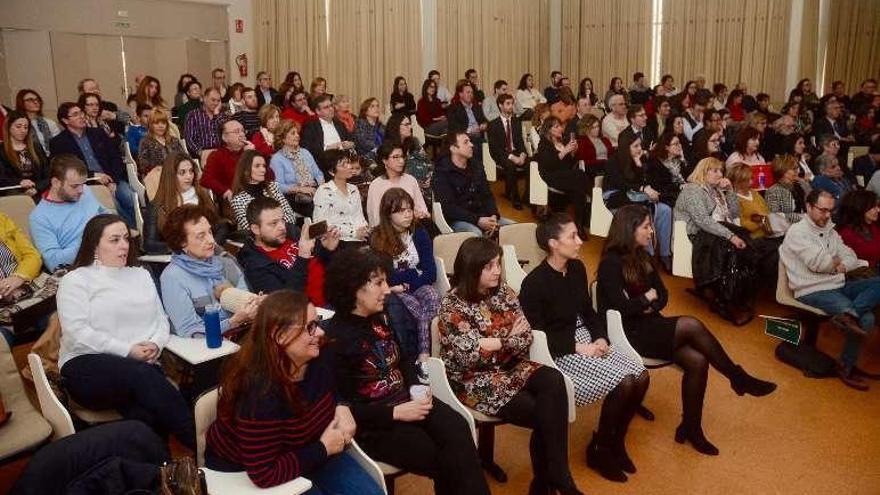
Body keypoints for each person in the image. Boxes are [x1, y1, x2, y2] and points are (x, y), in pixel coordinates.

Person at [598, 205, 776, 455]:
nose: (651, 231)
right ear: (629, 229)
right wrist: (644, 302)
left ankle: (691, 428)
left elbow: (662, 294)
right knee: (690, 324)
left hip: (649, 323)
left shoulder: (643, 256)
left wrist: (648, 302)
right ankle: (737, 377)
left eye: (650, 226)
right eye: (646, 227)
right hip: (628, 334)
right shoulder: (610, 264)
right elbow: (619, 308)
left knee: (698, 360)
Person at [323, 248, 491, 495]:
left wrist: (416, 388)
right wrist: (395, 413)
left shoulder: (379, 317)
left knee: (457, 429)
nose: (387, 289)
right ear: (354, 288)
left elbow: (404, 361)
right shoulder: (336, 338)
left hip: (407, 400)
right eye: (379, 283)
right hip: (375, 423)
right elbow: (344, 407)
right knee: (438, 457)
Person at [440, 237, 582, 494]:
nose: (497, 270)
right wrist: (506, 338)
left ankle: (555, 477)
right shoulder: (453, 305)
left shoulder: (503, 292)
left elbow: (526, 336)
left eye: (498, 263)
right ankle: (549, 482)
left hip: (510, 366)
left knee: (554, 380)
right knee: (544, 413)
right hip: (474, 380)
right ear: (472, 268)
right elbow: (469, 357)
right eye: (489, 266)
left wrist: (494, 342)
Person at [205, 289, 384, 492]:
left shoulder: (319, 354)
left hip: (311, 447)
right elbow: (264, 474)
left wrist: (342, 406)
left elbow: (332, 389)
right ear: (279, 336)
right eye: (310, 327)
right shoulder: (259, 394)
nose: (321, 332)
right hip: (247, 472)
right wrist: (323, 448)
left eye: (317, 323)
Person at [519, 213, 649, 482]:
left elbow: (589, 312)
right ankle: (600, 449)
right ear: (554, 244)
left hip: (586, 339)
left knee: (641, 375)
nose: (580, 241)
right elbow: (538, 336)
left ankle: (614, 442)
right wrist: (580, 348)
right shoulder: (534, 284)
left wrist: (601, 338)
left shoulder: (576, 268)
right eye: (573, 237)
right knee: (625, 382)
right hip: (561, 352)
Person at [58, 214, 195, 448]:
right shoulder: (76, 280)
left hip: (140, 366)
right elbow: (77, 333)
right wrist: (127, 350)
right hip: (85, 365)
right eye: (114, 240)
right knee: (143, 377)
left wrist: (156, 344)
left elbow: (161, 320)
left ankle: (160, 472)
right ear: (94, 245)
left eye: (125, 238)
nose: (123, 245)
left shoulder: (140, 274)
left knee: (147, 412)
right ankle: (202, 446)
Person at [780, 190, 880, 389]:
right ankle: (846, 365)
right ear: (809, 207)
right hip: (811, 289)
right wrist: (834, 261)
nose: (827, 215)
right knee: (867, 319)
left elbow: (850, 256)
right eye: (822, 210)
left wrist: (837, 262)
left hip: (837, 284)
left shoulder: (831, 231)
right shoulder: (797, 232)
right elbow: (819, 263)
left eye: (830, 211)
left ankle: (848, 316)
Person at [674, 158, 760, 325]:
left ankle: (736, 295)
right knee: (732, 247)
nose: (719, 174)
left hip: (714, 233)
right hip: (698, 235)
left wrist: (730, 191)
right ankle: (725, 302)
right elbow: (702, 221)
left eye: (721, 171)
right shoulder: (693, 190)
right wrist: (730, 236)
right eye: (714, 171)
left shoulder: (715, 190)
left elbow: (734, 213)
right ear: (703, 172)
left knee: (748, 242)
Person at [159, 205, 256, 338]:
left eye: (210, 232)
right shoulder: (172, 277)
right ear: (182, 242)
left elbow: (249, 305)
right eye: (201, 236)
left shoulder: (226, 264)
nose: (211, 240)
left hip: (245, 335)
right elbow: (189, 330)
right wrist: (232, 322)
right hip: (209, 349)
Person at [371, 187, 440, 361]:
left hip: (412, 286)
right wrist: (410, 276)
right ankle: (428, 356)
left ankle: (423, 355)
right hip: (395, 292)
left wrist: (407, 280)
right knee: (422, 312)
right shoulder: (378, 237)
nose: (408, 214)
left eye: (409, 209)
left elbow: (431, 272)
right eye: (401, 211)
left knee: (432, 296)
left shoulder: (420, 232)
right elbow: (386, 276)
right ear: (388, 214)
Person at [237, 196, 339, 303]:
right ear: (256, 229)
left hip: (336, 294)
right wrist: (302, 256)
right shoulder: (255, 265)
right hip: (313, 311)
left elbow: (323, 264)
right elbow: (284, 304)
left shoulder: (293, 233)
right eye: (273, 223)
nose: (282, 227)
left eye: (282, 220)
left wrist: (328, 249)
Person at [50, 102, 136, 227]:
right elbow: (65, 169)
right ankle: (129, 231)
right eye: (75, 114)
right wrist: (94, 175)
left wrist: (114, 181)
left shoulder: (98, 133)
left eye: (81, 113)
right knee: (113, 205)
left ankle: (136, 231)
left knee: (130, 197)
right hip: (86, 184)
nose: (81, 116)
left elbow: (115, 157)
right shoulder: (58, 142)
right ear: (65, 120)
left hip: (112, 178)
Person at [604, 135, 673, 270]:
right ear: (626, 147)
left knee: (665, 210)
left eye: (640, 146)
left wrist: (639, 165)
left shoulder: (639, 160)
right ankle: (647, 254)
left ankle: (665, 254)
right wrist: (642, 188)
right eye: (635, 146)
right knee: (642, 214)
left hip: (636, 196)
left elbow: (646, 182)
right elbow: (621, 183)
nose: (639, 149)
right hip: (616, 196)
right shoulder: (613, 161)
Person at [30, 155, 109, 272]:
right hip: (83, 268)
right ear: (56, 183)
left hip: (110, 253)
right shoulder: (39, 217)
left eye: (83, 183)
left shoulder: (85, 190)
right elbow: (54, 263)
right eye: (75, 186)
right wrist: (92, 242)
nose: (81, 190)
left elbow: (104, 214)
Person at [433, 131, 512, 236]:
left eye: (470, 141)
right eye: (466, 142)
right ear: (453, 148)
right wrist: (477, 220)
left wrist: (493, 215)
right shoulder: (442, 172)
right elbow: (449, 208)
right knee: (476, 234)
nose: (471, 145)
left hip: (482, 216)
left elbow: (487, 195)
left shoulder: (477, 166)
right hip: (457, 220)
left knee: (514, 228)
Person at [143, 153, 223, 255]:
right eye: (182, 173)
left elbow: (220, 226)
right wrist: (185, 247)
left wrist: (210, 244)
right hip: (179, 260)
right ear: (171, 176)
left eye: (191, 171)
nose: (188, 176)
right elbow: (149, 245)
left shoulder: (202, 195)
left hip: (209, 254)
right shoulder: (156, 206)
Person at [536, 116, 589, 234]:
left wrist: (573, 152)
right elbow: (550, 165)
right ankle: (581, 221)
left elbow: (569, 164)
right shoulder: (544, 144)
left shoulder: (563, 141)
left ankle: (579, 224)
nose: (560, 128)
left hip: (565, 175)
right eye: (556, 126)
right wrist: (565, 151)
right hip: (551, 176)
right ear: (549, 129)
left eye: (560, 126)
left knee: (578, 189)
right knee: (580, 177)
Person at [269, 119, 324, 218]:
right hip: (295, 197)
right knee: (318, 209)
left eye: (297, 133)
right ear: (283, 138)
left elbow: (318, 174)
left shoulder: (305, 152)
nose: (297, 136)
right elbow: (278, 186)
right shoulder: (277, 159)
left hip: (314, 190)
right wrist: (301, 189)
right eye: (293, 133)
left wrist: (321, 187)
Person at [231, 150, 297, 231]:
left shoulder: (273, 187)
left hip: (285, 231)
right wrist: (277, 225)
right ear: (246, 171)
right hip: (261, 240)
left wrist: (272, 226)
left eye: (264, 166)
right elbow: (250, 228)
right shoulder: (238, 200)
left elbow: (290, 216)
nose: (263, 170)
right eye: (257, 166)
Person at [313, 149, 369, 244]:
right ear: (331, 171)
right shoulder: (323, 191)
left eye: (348, 162)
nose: (349, 167)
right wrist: (353, 233)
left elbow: (359, 216)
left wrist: (364, 230)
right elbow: (322, 225)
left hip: (360, 237)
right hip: (338, 240)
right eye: (343, 165)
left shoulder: (353, 189)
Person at [366, 142, 429, 226]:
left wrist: (420, 214)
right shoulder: (376, 185)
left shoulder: (410, 180)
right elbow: (375, 218)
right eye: (395, 157)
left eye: (402, 157)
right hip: (387, 231)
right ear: (384, 161)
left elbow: (422, 207)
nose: (401, 161)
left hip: (413, 225)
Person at [487, 93, 528, 209]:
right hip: (501, 154)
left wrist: (522, 155)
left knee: (532, 163)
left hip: (515, 152)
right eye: (508, 104)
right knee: (510, 165)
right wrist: (512, 157)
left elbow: (520, 142)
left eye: (512, 104)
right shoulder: (493, 124)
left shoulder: (516, 121)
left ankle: (527, 196)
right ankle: (516, 198)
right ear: (500, 105)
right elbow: (495, 149)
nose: (511, 106)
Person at [200, 119, 258, 202]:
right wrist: (225, 191)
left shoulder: (250, 151)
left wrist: (253, 155)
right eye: (237, 131)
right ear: (225, 137)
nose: (242, 134)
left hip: (256, 194)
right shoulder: (217, 155)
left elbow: (268, 175)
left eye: (243, 130)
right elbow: (205, 179)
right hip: (237, 199)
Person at [386, 112, 435, 205]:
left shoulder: (415, 142)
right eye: (406, 124)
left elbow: (428, 163)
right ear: (396, 126)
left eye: (410, 124)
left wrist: (431, 176)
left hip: (427, 189)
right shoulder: (388, 147)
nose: (410, 127)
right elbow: (371, 161)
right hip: (405, 193)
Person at [0, 110, 49, 197]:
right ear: (8, 127)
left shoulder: (35, 147)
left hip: (38, 193)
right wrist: (19, 182)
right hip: (12, 195)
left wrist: (37, 188)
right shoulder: (1, 150)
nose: (23, 130)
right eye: (18, 126)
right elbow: (2, 178)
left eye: (26, 127)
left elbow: (48, 174)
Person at [301, 94, 355, 167]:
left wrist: (350, 144)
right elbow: (307, 150)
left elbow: (351, 140)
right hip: (324, 163)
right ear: (318, 111)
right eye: (326, 107)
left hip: (344, 162)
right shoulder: (311, 127)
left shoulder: (340, 124)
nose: (331, 109)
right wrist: (328, 148)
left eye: (331, 106)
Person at [446, 80, 488, 168]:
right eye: (468, 92)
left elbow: (484, 120)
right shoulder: (453, 108)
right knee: (478, 147)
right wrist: (469, 131)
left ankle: (487, 171)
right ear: (460, 94)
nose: (470, 95)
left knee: (489, 144)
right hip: (465, 137)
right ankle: (477, 171)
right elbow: (453, 127)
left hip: (479, 135)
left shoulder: (476, 106)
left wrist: (484, 124)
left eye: (472, 92)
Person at [837, 190, 880, 270]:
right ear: (860, 207)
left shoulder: (874, 226)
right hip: (865, 276)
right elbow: (848, 263)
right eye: (873, 207)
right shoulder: (846, 234)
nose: (878, 210)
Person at [645, 131, 690, 207]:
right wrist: (680, 187)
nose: (680, 146)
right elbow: (661, 186)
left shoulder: (679, 160)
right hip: (667, 196)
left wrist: (683, 159)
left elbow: (689, 177)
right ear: (666, 147)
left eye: (680, 143)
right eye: (676, 144)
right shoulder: (656, 163)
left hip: (683, 191)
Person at [765, 155, 807, 234]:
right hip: (785, 233)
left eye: (797, 168)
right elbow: (775, 219)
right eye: (794, 169)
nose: (797, 171)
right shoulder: (773, 191)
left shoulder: (799, 186)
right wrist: (804, 218)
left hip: (803, 228)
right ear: (783, 171)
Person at [136, 108, 186, 176]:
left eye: (163, 123)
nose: (161, 126)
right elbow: (143, 165)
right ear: (151, 125)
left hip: (176, 174)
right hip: (156, 177)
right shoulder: (145, 142)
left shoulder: (174, 140)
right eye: (157, 123)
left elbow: (184, 157)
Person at [15, 89, 61, 158]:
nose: (36, 102)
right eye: (30, 100)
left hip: (52, 159)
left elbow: (59, 144)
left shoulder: (50, 123)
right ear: (21, 103)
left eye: (37, 99)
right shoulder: (18, 125)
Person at [184, 87, 227, 158]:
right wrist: (201, 153)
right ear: (204, 99)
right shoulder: (193, 115)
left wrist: (217, 115)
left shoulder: (222, 115)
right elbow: (190, 140)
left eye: (218, 101)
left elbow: (227, 133)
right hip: (201, 153)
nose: (216, 103)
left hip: (220, 153)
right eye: (213, 100)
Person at [353, 98, 385, 162]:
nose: (376, 108)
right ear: (365, 111)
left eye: (377, 106)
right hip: (365, 157)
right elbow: (363, 142)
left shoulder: (381, 125)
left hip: (381, 155)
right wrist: (381, 148)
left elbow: (387, 140)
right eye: (372, 106)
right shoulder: (360, 123)